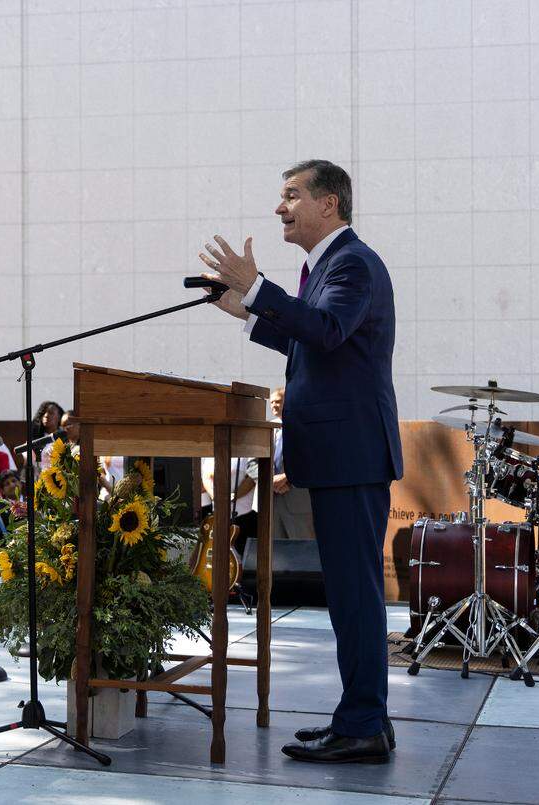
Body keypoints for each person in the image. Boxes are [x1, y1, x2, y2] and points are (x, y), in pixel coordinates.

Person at [200, 159, 402, 764]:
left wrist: (261, 289)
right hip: (339, 456)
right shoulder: (324, 268)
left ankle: (364, 723)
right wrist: (248, 311)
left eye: (291, 196)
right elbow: (307, 337)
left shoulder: (353, 264)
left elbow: (329, 329)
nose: (279, 207)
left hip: (353, 456)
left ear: (329, 204)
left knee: (357, 596)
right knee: (347, 595)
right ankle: (361, 717)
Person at [269, 386, 315, 540]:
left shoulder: (306, 427)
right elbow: (253, 463)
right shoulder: (268, 428)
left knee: (303, 553)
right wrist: (270, 481)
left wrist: (287, 477)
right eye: (272, 402)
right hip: (271, 502)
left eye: (278, 401)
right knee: (276, 555)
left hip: (298, 502)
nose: (274, 405)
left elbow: (312, 458)